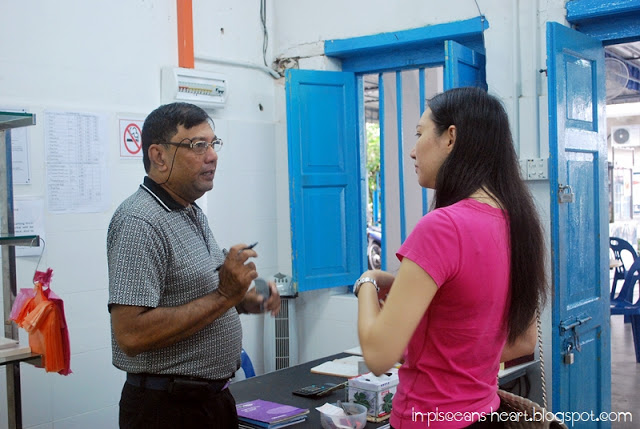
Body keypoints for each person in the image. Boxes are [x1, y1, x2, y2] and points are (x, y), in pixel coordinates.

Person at [354, 87, 546, 428]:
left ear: (450, 138)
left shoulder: (443, 227)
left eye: (420, 133)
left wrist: (367, 283)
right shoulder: (516, 223)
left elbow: (378, 356)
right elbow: (523, 341)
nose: (413, 151)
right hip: (483, 414)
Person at [107, 102, 281, 429]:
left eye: (213, 144)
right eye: (197, 146)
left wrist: (245, 301)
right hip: (168, 410)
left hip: (210, 401)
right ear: (158, 156)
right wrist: (226, 296)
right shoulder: (138, 222)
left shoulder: (189, 210)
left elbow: (203, 294)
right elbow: (130, 334)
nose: (212, 155)